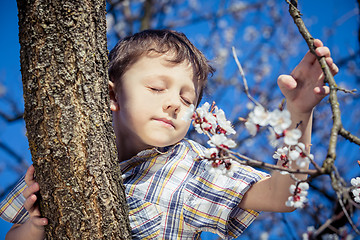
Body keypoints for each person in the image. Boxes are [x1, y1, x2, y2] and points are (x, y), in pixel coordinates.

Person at [1, 29, 338, 239]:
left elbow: (282, 196)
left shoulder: (192, 166)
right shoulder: (62, 157)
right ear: (111, 96)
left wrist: (299, 113)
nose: (175, 104)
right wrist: (33, 227)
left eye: (187, 98)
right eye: (156, 88)